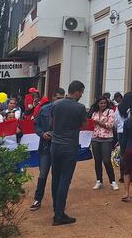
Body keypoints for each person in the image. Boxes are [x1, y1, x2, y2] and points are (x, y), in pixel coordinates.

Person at [50, 81, 87, 225]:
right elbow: (84, 125)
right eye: (81, 92)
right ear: (77, 92)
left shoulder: (56, 105)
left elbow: (52, 123)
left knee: (56, 178)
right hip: (70, 146)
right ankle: (59, 214)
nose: (82, 95)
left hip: (55, 144)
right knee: (65, 180)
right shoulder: (80, 107)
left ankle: (56, 210)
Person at [29, 90, 57, 211]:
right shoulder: (44, 109)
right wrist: (42, 133)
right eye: (57, 97)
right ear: (53, 97)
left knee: (57, 175)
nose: (59, 100)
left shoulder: (64, 111)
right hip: (45, 146)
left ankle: (57, 201)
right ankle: (38, 199)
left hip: (58, 146)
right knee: (43, 174)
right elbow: (36, 124)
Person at [90, 96, 118, 190]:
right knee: (97, 161)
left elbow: (110, 125)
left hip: (106, 138)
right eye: (101, 103)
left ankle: (113, 181)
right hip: (95, 138)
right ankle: (99, 181)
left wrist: (98, 123)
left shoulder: (110, 112)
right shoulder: (94, 113)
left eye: (104, 103)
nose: (103, 105)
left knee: (106, 160)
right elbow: (91, 124)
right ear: (98, 104)